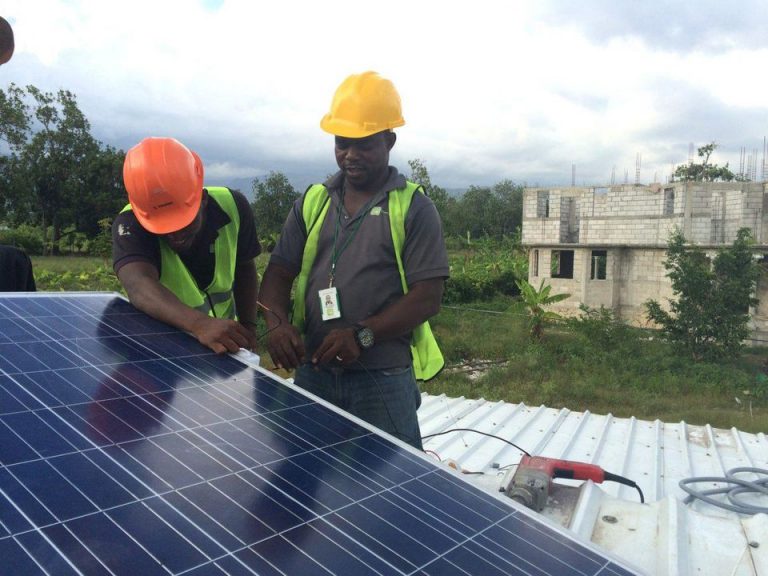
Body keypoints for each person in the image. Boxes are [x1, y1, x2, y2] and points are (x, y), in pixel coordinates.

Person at [258, 71, 448, 450]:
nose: (351, 155)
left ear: (389, 140)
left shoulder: (413, 207)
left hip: (381, 377)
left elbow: (428, 296)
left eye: (364, 145)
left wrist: (362, 335)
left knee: (392, 489)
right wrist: (277, 325)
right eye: (342, 143)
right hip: (314, 371)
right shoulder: (313, 202)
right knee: (305, 477)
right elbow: (278, 274)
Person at [113, 137, 261, 354]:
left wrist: (248, 328)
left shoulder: (234, 206)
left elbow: (245, 268)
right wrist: (200, 324)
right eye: (162, 225)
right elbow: (139, 285)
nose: (175, 234)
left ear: (202, 198)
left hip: (224, 348)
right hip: (164, 349)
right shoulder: (130, 224)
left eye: (183, 221)